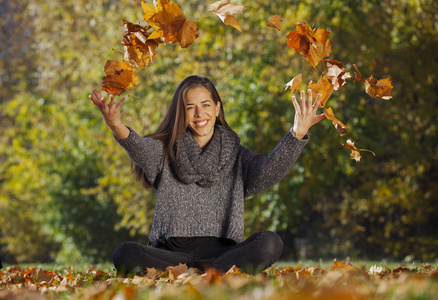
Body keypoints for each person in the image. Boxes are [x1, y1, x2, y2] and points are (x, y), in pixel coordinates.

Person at [89, 75, 325, 274]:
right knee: (125, 253)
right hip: (172, 256)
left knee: (271, 242)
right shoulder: (165, 150)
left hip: (223, 253)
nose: (199, 113)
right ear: (181, 112)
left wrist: (297, 132)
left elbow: (267, 173)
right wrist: (116, 126)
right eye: (190, 107)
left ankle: (205, 271)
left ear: (217, 107)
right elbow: (140, 148)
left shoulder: (237, 154)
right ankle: (209, 274)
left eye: (206, 105)